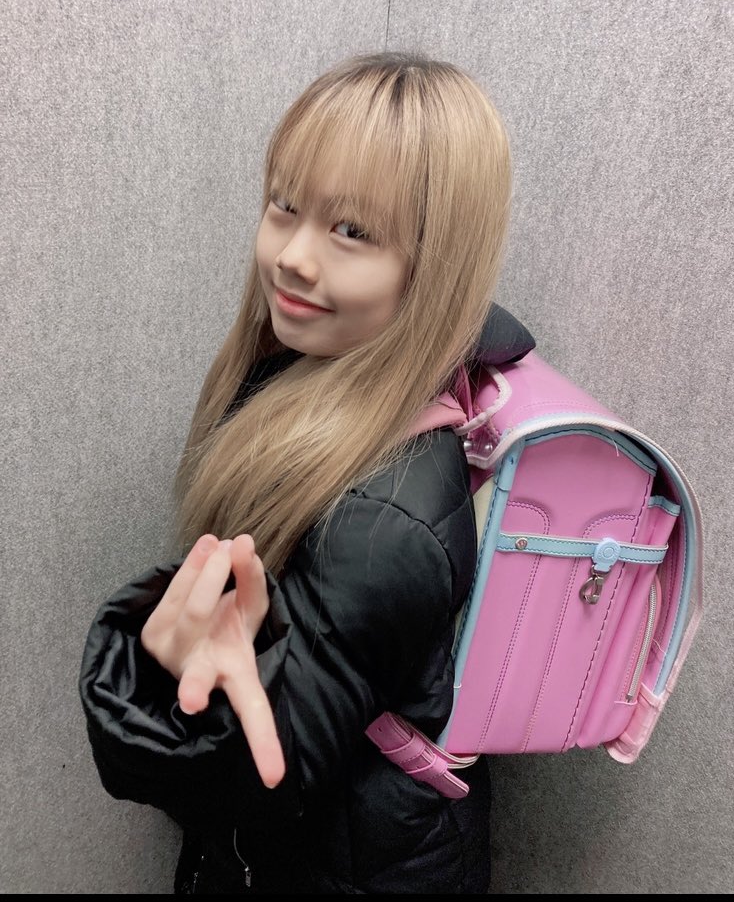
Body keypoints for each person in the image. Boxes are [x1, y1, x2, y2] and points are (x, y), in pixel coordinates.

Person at [79, 51, 536, 894]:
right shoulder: (327, 360)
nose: (292, 256)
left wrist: (142, 678)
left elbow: (263, 783)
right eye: (285, 204)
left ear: (434, 267)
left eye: (352, 231)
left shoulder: (384, 527)